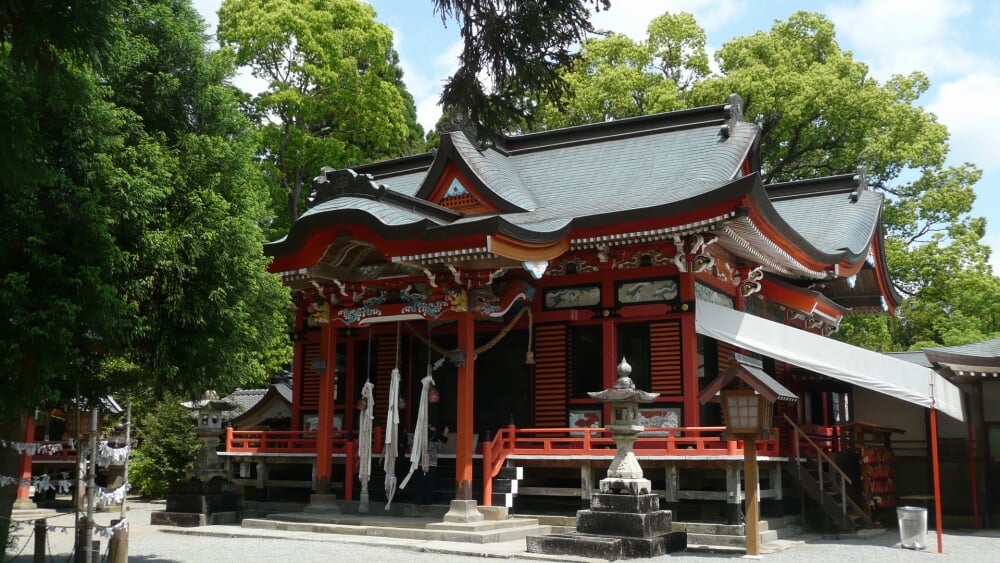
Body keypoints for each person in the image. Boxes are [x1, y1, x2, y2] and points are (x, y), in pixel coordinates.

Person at [416, 423, 448, 505]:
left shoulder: (421, 433)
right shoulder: (436, 434)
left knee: (420, 481)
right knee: (429, 482)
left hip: (421, 460)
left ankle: (419, 500)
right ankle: (428, 500)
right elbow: (444, 440)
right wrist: (445, 432)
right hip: (432, 461)